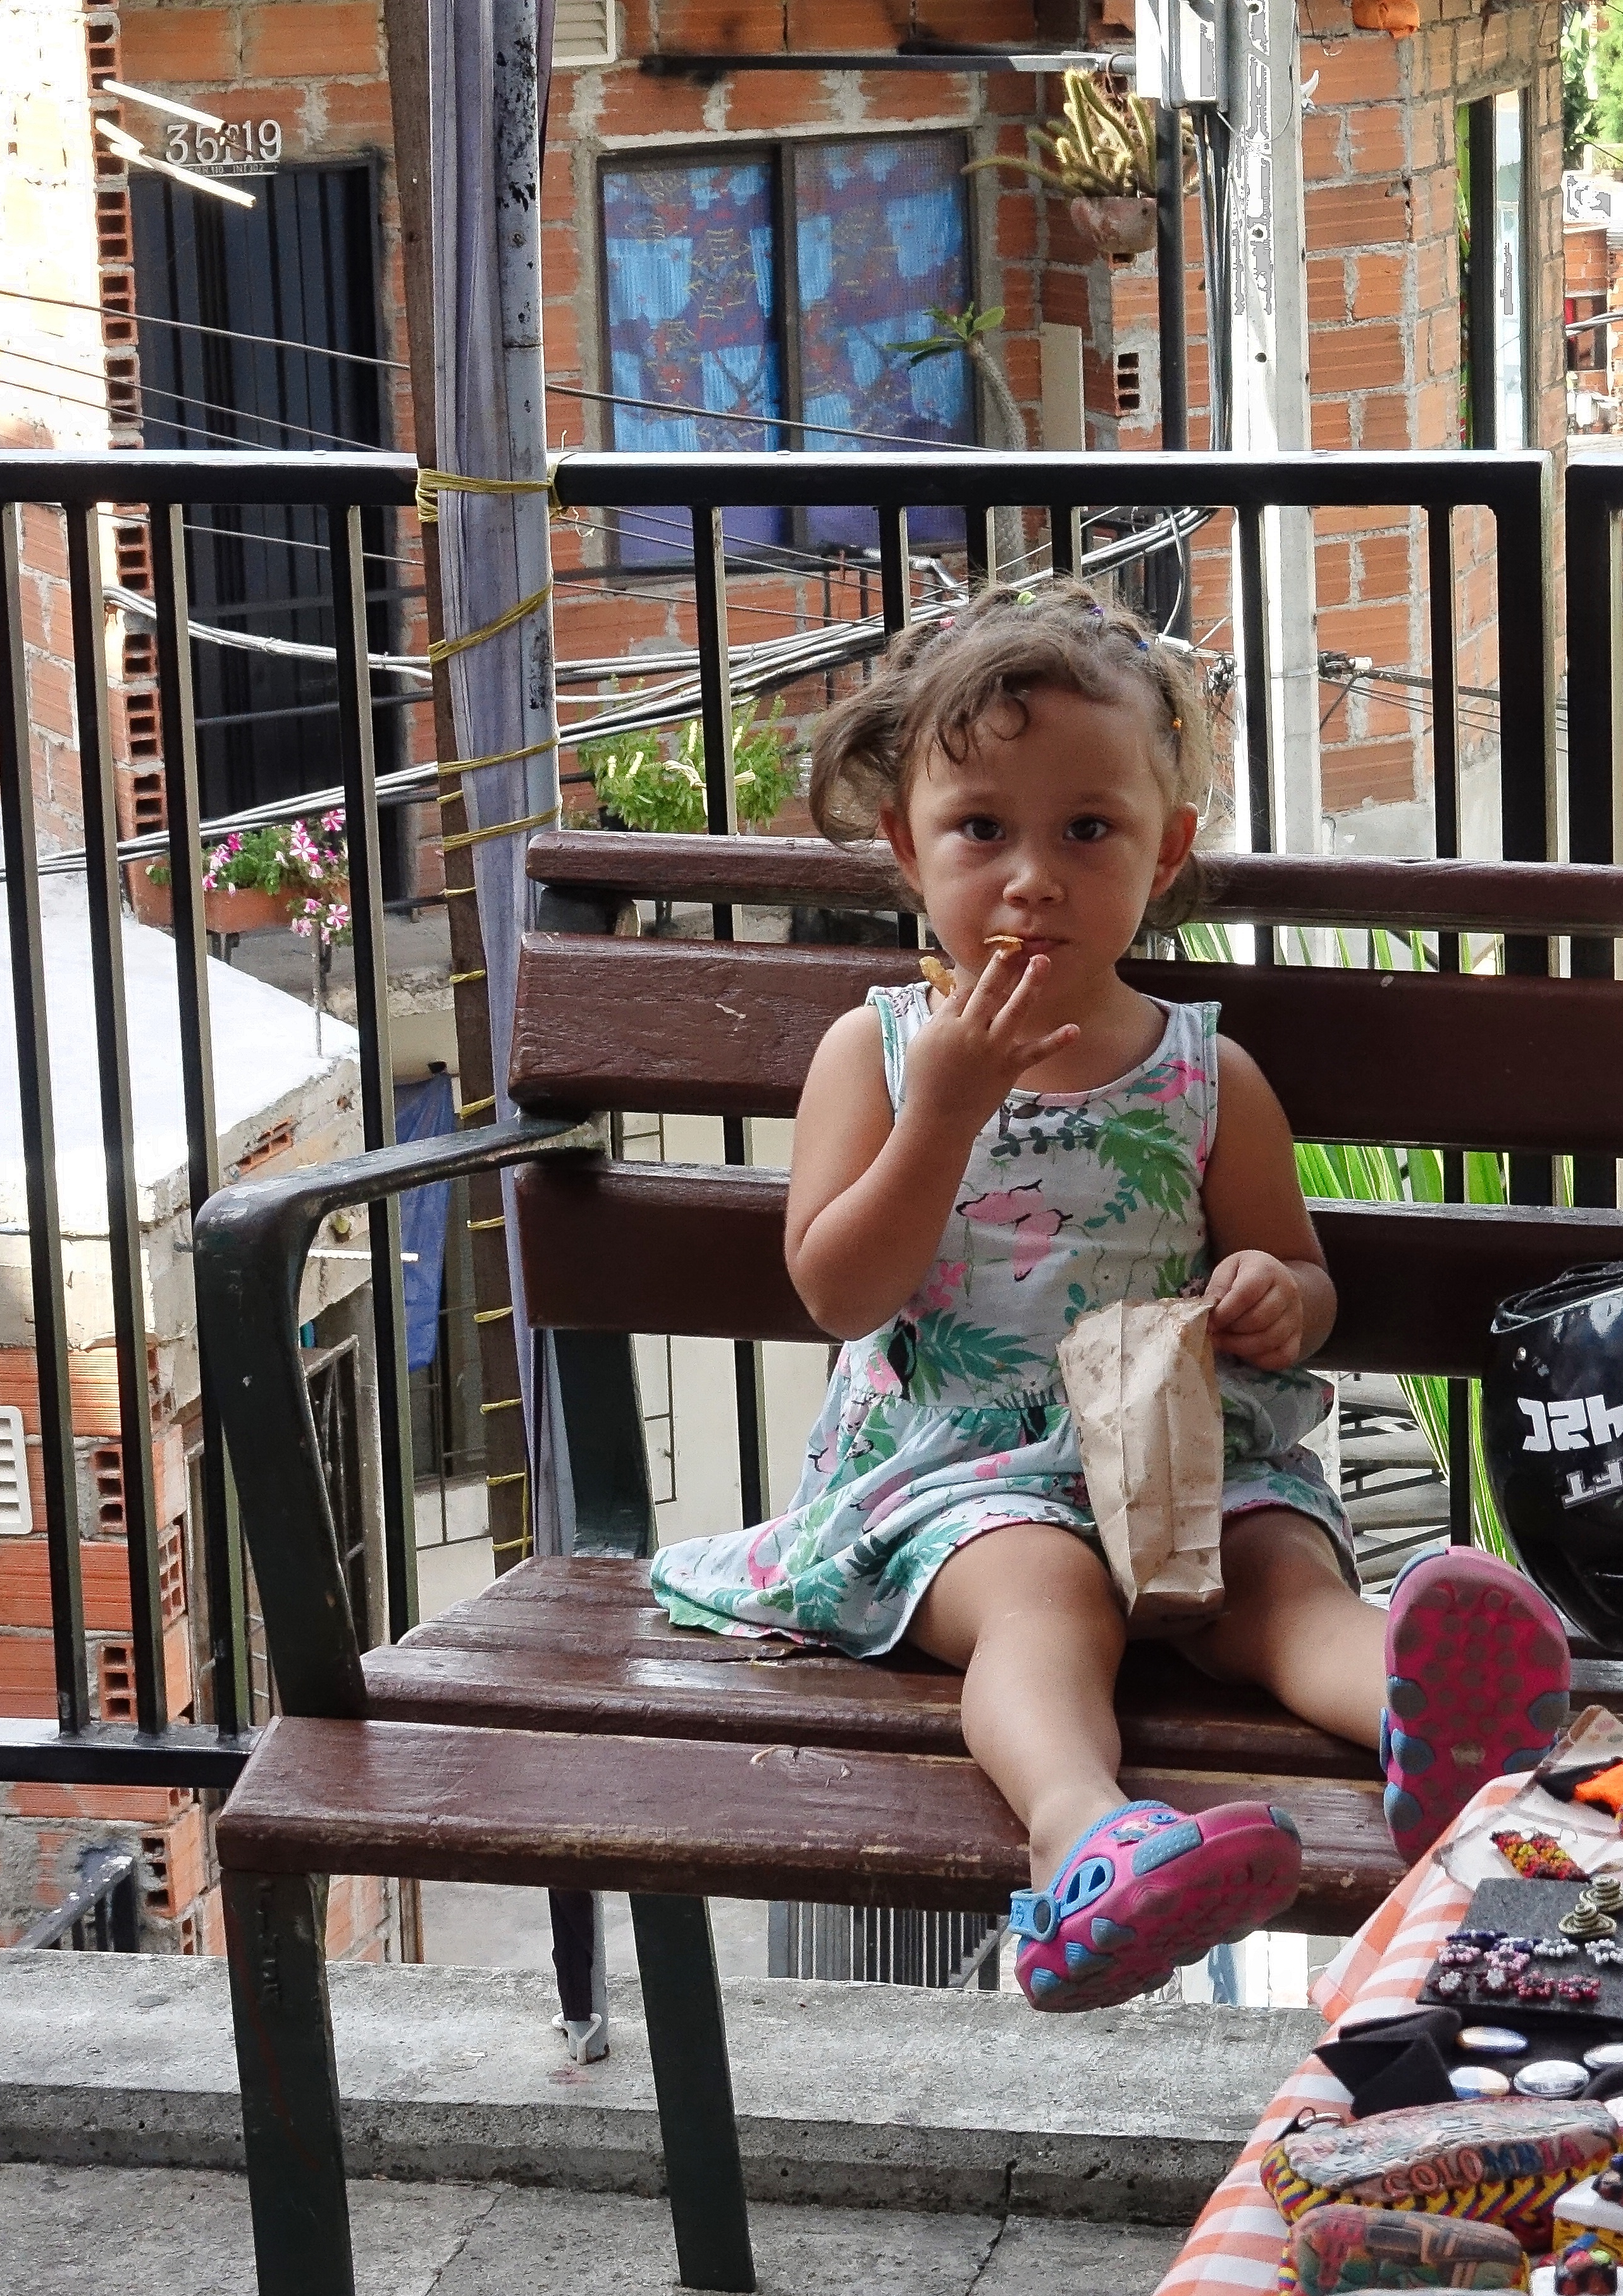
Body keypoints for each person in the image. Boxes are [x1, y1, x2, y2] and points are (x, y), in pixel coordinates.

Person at [650, 581, 1569, 2011]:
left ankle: (1439, 1728)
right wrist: (944, 1113)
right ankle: (1087, 1843)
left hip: (1184, 1459)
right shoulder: (878, 1053)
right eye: (981, 831)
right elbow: (840, 1293)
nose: (1033, 877)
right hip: (968, 1480)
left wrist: (1277, 1294)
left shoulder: (1209, 1074)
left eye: (1088, 830)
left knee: (1282, 1584)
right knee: (1045, 1601)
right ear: (906, 851)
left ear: (1163, 853)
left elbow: (1300, 1275)